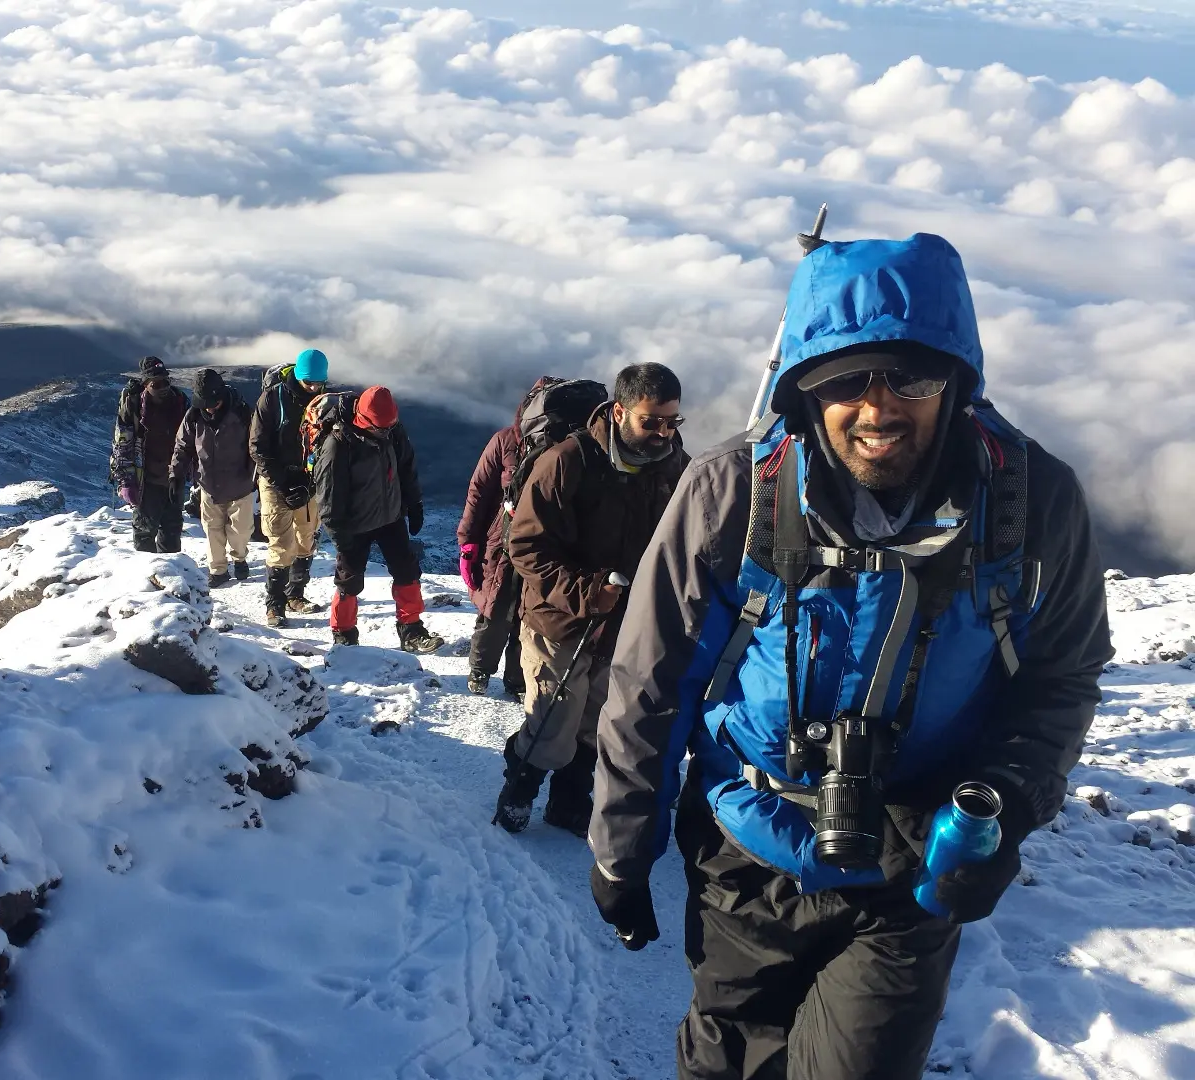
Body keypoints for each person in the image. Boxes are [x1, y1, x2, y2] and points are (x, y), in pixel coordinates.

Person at [587, 234, 1114, 1080]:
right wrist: (623, 849)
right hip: (747, 849)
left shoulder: (1032, 503)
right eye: (844, 380)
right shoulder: (731, 492)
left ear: (957, 380)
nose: (878, 409)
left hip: (916, 862)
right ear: (802, 389)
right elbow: (652, 680)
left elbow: (1061, 673)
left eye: (910, 377)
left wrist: (1004, 808)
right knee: (727, 1060)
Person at [496, 363, 689, 835]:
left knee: (595, 722)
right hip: (558, 621)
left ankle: (568, 801)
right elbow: (524, 546)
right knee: (554, 725)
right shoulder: (568, 460)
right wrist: (589, 591)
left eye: (672, 421)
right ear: (620, 412)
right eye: (652, 421)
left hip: (624, 624)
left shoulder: (674, 466)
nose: (663, 432)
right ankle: (518, 788)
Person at [311, 386, 444, 654]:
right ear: (363, 418)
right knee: (349, 580)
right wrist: (340, 536)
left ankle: (412, 630)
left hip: (390, 516)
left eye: (389, 426)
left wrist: (414, 503)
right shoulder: (337, 444)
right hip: (354, 524)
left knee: (407, 570)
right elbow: (328, 496)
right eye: (380, 428)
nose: (385, 432)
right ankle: (344, 633)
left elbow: (406, 467)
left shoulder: (391, 429)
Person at [456, 379, 558, 697]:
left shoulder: (566, 450)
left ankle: (517, 678)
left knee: (529, 619)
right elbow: (480, 492)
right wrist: (468, 541)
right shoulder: (505, 442)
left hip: (545, 549)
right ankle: (480, 670)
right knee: (495, 610)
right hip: (502, 545)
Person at [251, 348, 327, 627]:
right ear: (298, 376)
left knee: (306, 538)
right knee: (281, 544)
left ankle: (296, 595)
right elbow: (258, 447)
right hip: (276, 480)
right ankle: (275, 604)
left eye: (319, 382)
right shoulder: (273, 399)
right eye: (309, 382)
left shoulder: (324, 401)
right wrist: (283, 483)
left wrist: (312, 481)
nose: (314, 388)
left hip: (308, 481)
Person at [170, 369, 257, 587]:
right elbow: (182, 447)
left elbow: (256, 445)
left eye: (212, 402)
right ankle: (218, 570)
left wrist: (257, 474)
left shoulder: (242, 413)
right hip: (208, 483)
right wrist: (176, 475)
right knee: (212, 529)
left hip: (240, 483)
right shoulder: (193, 416)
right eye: (204, 403)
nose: (208, 407)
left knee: (241, 530)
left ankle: (239, 557)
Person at [111, 356, 190, 553]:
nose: (162, 387)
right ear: (146, 384)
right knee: (145, 531)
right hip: (146, 480)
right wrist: (126, 481)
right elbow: (122, 444)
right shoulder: (134, 406)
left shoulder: (180, 401)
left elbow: (191, 439)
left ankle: (171, 576)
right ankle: (147, 577)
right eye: (156, 383)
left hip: (174, 478)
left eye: (165, 381)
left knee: (172, 530)